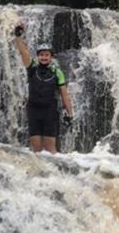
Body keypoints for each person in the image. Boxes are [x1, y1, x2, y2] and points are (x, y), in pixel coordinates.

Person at [13, 22, 75, 153]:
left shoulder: (57, 72)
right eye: (41, 55)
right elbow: (23, 52)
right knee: (36, 148)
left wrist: (70, 114)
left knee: (50, 147)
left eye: (46, 55)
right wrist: (18, 36)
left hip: (50, 112)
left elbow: (65, 94)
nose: (44, 57)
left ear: (51, 57)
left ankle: (53, 172)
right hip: (33, 110)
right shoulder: (32, 68)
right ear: (38, 56)